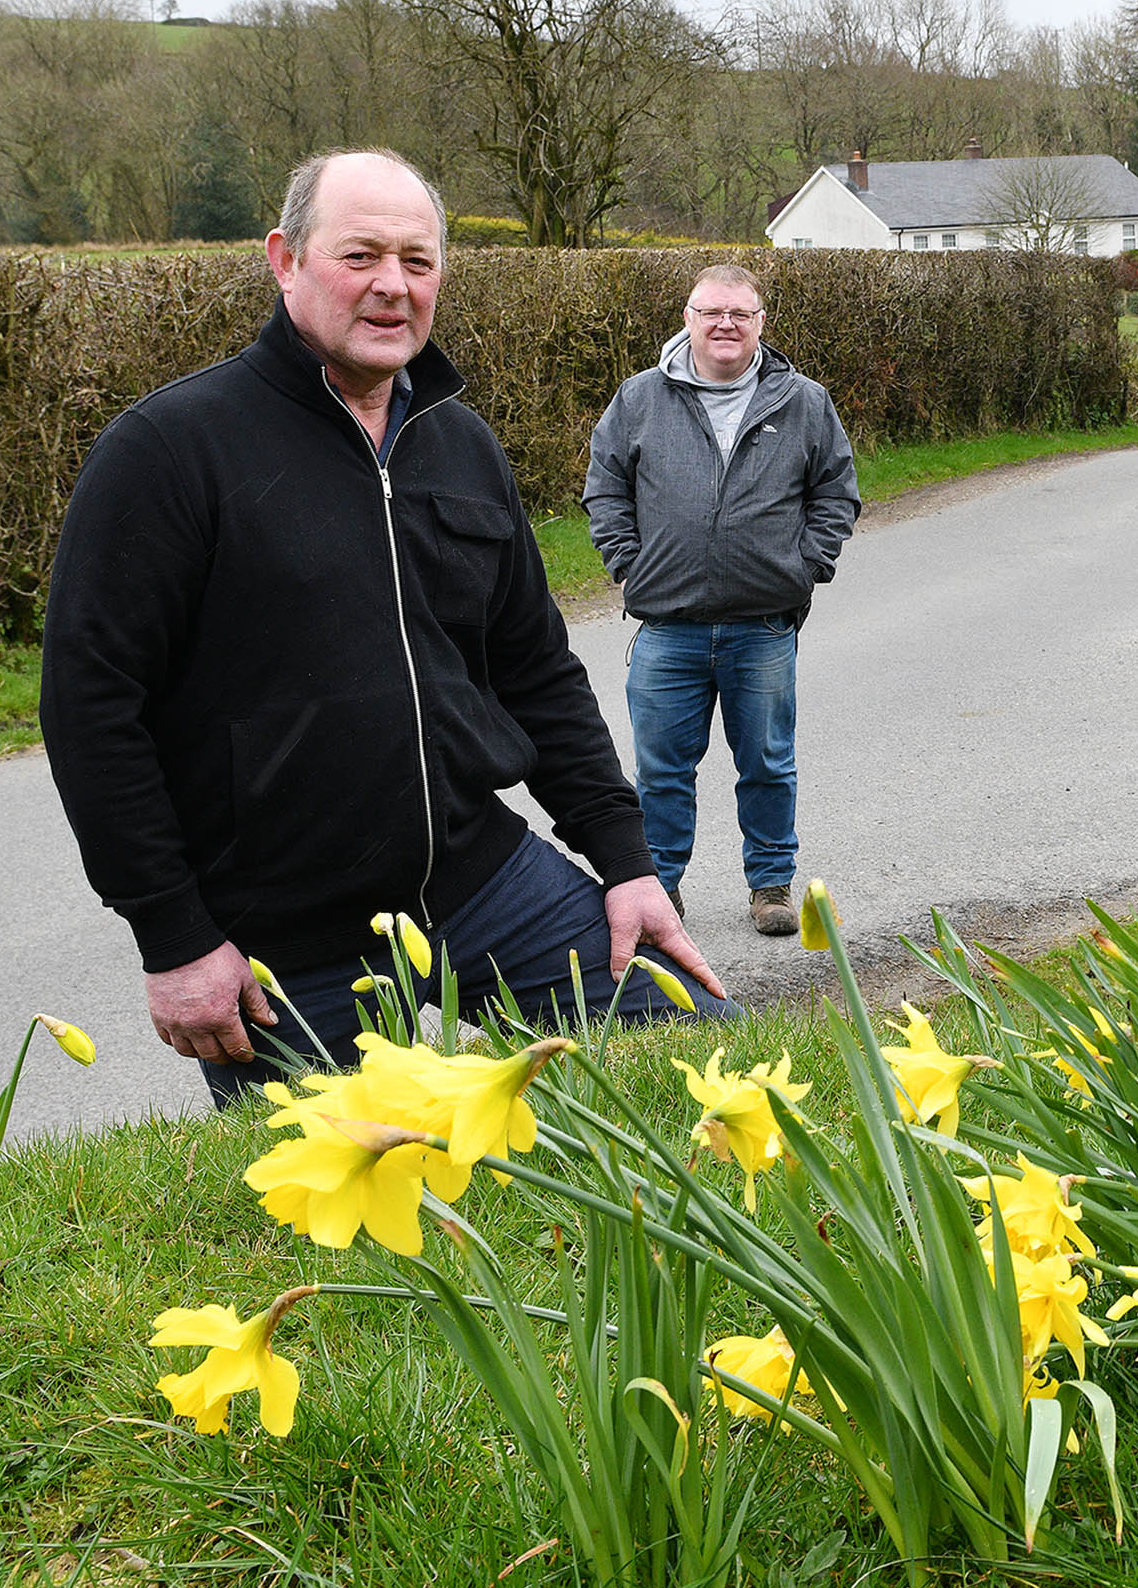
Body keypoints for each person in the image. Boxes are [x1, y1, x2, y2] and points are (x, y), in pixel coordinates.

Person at [40, 147, 731, 1104]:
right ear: (285, 259)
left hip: (481, 884)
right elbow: (90, 710)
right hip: (288, 939)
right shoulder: (169, 450)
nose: (392, 287)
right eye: (360, 255)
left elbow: (534, 669)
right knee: (363, 1212)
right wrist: (175, 935)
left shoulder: (459, 443)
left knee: (707, 1069)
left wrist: (626, 862)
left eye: (418, 260)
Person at [584, 263, 859, 938]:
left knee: (766, 762)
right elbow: (605, 486)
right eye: (712, 312)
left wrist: (805, 568)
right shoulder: (640, 397)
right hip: (667, 626)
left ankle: (770, 884)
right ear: (689, 318)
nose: (725, 325)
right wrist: (627, 566)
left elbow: (836, 492)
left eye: (740, 313)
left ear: (760, 323)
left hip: (762, 625)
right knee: (660, 768)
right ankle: (661, 888)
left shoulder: (802, 401)